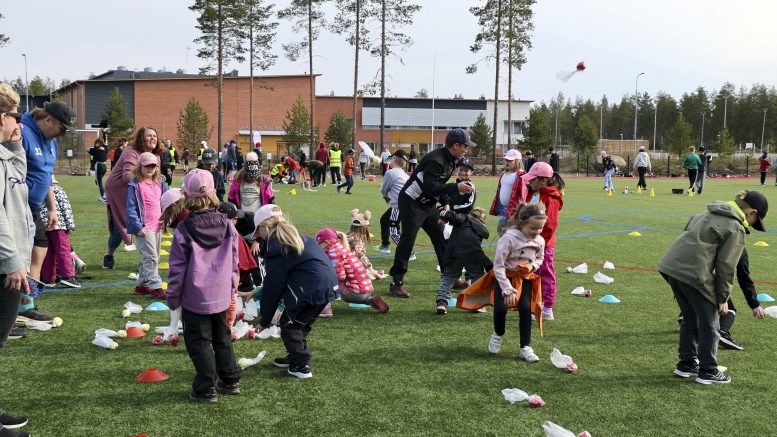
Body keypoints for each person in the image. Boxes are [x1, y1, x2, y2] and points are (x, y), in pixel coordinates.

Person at [658, 190, 768, 384]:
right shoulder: (735, 227)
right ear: (752, 212)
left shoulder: (705, 213)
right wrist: (723, 298)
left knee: (690, 318)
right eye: (755, 220)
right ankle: (708, 370)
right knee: (710, 322)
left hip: (671, 268)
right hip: (693, 273)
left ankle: (687, 364)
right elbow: (726, 267)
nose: (752, 225)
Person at [166, 169, 242, 403]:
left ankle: (206, 387)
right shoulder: (229, 225)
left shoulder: (183, 229)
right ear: (213, 195)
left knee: (199, 343)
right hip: (220, 294)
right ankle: (230, 379)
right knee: (222, 337)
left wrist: (173, 297)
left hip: (195, 298)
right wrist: (232, 288)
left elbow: (177, 269)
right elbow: (235, 262)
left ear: (186, 197)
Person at [253, 204, 339, 379]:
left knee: (289, 326)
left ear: (264, 227)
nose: (259, 237)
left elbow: (273, 287)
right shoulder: (298, 237)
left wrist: (265, 319)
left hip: (309, 290)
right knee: (300, 324)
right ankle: (295, 355)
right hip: (328, 286)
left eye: (258, 232)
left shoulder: (277, 248)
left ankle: (301, 363)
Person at [388, 128, 475, 298]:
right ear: (456, 146)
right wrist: (455, 188)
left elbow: (439, 184)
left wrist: (446, 203)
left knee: (441, 237)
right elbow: (430, 186)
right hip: (412, 202)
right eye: (465, 146)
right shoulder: (435, 160)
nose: (466, 149)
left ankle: (449, 277)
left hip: (428, 204)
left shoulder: (450, 160)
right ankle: (396, 283)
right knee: (408, 240)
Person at [19, 100, 76, 324]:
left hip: (35, 207)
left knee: (39, 250)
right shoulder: (22, 133)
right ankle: (13, 306)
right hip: (16, 205)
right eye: (62, 128)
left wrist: (52, 208)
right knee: (17, 256)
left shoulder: (50, 140)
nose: (62, 134)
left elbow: (46, 176)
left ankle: (26, 303)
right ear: (48, 120)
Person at [0, 84, 31, 437]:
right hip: (3, 264)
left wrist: (16, 141)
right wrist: (12, 260)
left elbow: (19, 178)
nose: (18, 122)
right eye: (14, 116)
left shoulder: (6, 154)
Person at [487, 203, 547, 362]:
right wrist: (507, 289)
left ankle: (525, 347)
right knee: (500, 308)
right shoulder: (508, 239)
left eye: (540, 228)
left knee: (526, 309)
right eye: (534, 228)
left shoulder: (540, 240)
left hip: (524, 278)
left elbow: (540, 258)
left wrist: (532, 266)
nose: (538, 232)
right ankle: (498, 334)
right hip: (505, 277)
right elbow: (498, 265)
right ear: (522, 223)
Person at [103, 127, 162, 270]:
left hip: (141, 191)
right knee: (121, 228)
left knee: (147, 224)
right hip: (120, 191)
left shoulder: (155, 156)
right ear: (142, 138)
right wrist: (148, 182)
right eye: (149, 136)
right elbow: (127, 177)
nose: (153, 138)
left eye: (155, 135)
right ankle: (109, 255)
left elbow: (156, 177)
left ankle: (145, 262)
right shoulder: (131, 152)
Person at [523, 162, 565, 321]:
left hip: (543, 244)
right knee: (531, 274)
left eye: (532, 179)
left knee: (545, 273)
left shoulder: (550, 198)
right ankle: (534, 304)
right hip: (529, 242)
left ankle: (547, 308)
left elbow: (550, 225)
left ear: (543, 180)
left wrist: (538, 243)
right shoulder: (534, 192)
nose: (529, 182)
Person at [316, 228, 389, 314]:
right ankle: (370, 301)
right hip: (365, 291)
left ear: (326, 243)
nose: (318, 246)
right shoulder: (341, 248)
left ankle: (325, 310)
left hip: (353, 292)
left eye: (319, 243)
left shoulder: (334, 253)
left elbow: (340, 276)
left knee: (324, 282)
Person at [436, 207, 491, 315]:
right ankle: (477, 304)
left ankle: (442, 302)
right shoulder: (482, 227)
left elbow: (451, 215)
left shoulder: (463, 218)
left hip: (454, 252)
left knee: (449, 277)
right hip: (473, 252)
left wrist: (442, 216)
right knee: (478, 276)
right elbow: (485, 234)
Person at [127, 152, 167, 299]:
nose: (150, 168)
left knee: (151, 257)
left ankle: (142, 285)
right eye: (147, 166)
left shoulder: (159, 184)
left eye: (153, 166)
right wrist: (137, 227)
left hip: (158, 227)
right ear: (140, 166)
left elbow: (165, 202)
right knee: (151, 258)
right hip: (144, 229)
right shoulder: (135, 185)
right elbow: (131, 207)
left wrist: (166, 218)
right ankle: (156, 287)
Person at [39, 178, 80, 288]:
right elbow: (66, 208)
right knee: (63, 250)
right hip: (59, 225)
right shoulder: (58, 190)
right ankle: (68, 276)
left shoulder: (39, 189)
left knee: (48, 253)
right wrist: (70, 224)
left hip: (43, 226)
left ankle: (48, 278)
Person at [377, 150, 409, 253]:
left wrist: (385, 196)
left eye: (391, 158)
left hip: (398, 206)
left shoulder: (390, 172)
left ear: (394, 159)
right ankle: (385, 245)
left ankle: (407, 252)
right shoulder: (405, 175)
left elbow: (384, 190)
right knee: (384, 220)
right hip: (405, 205)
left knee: (393, 230)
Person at [489, 149, 525, 236]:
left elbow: (523, 194)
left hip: (514, 211)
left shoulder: (521, 175)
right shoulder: (505, 174)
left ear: (517, 161)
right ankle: (505, 248)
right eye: (506, 160)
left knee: (511, 234)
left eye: (510, 160)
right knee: (501, 230)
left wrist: (519, 211)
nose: (507, 162)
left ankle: (510, 249)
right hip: (503, 209)